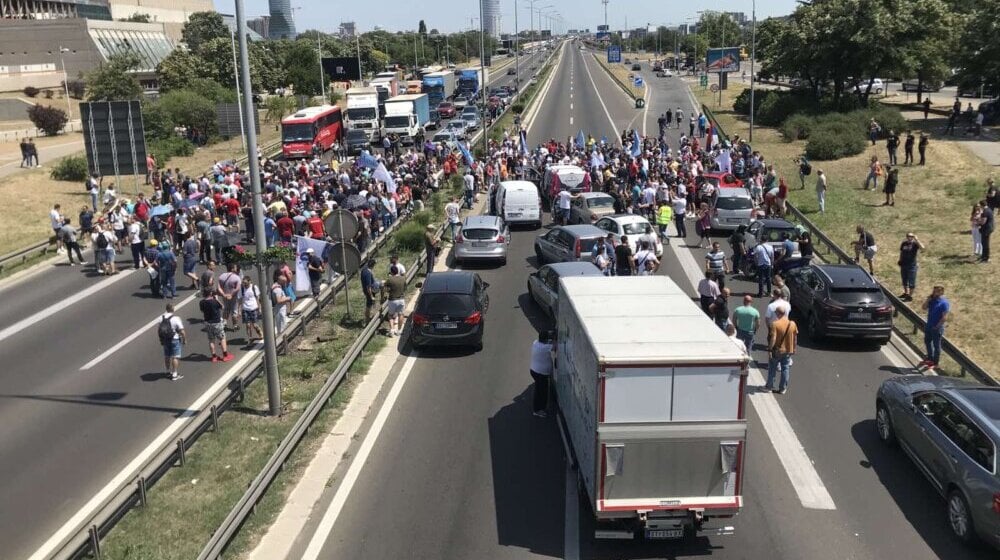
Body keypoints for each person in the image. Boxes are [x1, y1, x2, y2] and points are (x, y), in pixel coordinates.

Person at [764, 306, 798, 394]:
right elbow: (795, 338)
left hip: (777, 351)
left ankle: (769, 386)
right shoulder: (792, 324)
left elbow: (773, 338)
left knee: (772, 368)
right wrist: (794, 348)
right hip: (788, 350)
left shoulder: (775, 324)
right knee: (785, 369)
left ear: (778, 313)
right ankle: (783, 389)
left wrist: (769, 349)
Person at [199, 289, 233, 363]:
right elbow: (222, 307)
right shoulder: (214, 302)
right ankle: (225, 355)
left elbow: (202, 311)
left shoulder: (202, 302)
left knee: (211, 340)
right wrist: (217, 299)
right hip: (216, 322)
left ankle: (214, 357)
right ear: (211, 293)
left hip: (208, 323)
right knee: (222, 338)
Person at [921, 285, 949, 368]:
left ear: (941, 292)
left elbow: (944, 317)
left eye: (936, 291)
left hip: (937, 328)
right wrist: (928, 300)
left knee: (936, 345)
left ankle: (935, 363)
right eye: (934, 291)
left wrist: (937, 326)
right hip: (929, 325)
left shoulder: (944, 303)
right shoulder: (932, 300)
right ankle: (930, 358)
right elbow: (923, 308)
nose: (934, 293)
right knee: (927, 341)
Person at [156, 303, 186, 381]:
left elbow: (159, 330)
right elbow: (182, 331)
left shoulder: (160, 318)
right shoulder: (176, 318)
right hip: (174, 339)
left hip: (165, 339)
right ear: (173, 309)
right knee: (175, 356)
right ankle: (175, 374)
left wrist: (161, 339)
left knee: (167, 356)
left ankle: (167, 371)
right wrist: (184, 339)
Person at [529, 330, 554, 417]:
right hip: (541, 374)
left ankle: (538, 408)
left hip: (534, 370)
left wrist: (549, 337)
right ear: (546, 340)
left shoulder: (535, 343)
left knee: (539, 390)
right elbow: (555, 346)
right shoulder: (546, 347)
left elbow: (547, 343)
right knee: (541, 392)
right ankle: (538, 410)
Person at [897, 233, 924, 301]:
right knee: (904, 280)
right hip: (904, 264)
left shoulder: (915, 244)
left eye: (912, 236)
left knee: (911, 281)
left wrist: (917, 239)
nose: (910, 237)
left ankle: (910, 296)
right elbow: (901, 252)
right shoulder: (904, 243)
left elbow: (922, 248)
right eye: (908, 236)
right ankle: (906, 293)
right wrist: (900, 260)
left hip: (912, 266)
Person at [218, 263, 242, 331]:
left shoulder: (222, 276)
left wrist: (223, 294)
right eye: (234, 267)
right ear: (232, 269)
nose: (236, 268)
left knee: (226, 309)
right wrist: (231, 294)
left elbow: (219, 287)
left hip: (225, 296)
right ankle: (235, 325)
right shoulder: (236, 277)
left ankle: (224, 323)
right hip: (233, 297)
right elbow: (237, 288)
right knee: (234, 311)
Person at [385, 264, 407, 336]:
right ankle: (399, 331)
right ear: (397, 271)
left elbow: (385, 288)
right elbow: (405, 288)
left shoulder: (390, 279)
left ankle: (392, 330)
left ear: (391, 272)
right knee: (401, 314)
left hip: (392, 300)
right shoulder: (403, 278)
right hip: (401, 299)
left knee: (390, 315)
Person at [240, 276, 264, 342]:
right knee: (248, 325)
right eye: (243, 283)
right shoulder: (242, 288)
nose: (245, 285)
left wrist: (259, 308)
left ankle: (260, 334)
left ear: (249, 282)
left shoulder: (254, 287)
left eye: (246, 283)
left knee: (255, 325)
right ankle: (250, 338)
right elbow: (240, 299)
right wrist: (239, 310)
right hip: (245, 308)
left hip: (253, 308)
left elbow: (257, 298)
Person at [979, 199, 994, 263]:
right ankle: (983, 256)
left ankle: (986, 258)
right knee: (984, 243)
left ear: (982, 205)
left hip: (986, 230)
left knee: (985, 244)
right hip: (989, 228)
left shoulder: (985, 211)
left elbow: (983, 222)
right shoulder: (989, 209)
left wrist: (978, 222)